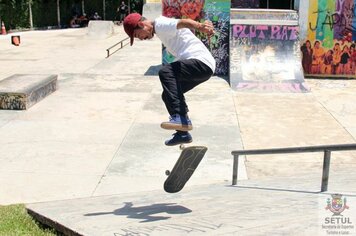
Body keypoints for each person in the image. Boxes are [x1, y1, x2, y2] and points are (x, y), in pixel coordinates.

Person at [123, 13, 215, 146]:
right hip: (204, 67)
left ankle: (180, 118)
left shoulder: (160, 24)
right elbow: (184, 30)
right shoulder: (161, 30)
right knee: (168, 95)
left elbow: (183, 22)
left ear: (142, 24)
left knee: (166, 72)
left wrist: (201, 26)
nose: (141, 39)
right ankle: (183, 133)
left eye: (138, 35)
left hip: (201, 63)